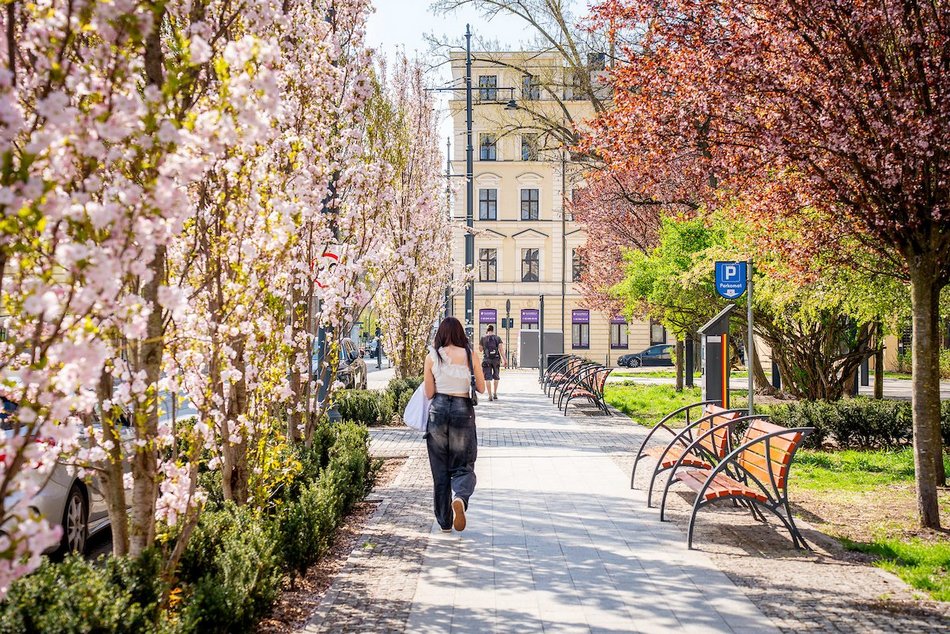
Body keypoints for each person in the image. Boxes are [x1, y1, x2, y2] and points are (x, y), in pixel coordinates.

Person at [423, 317, 486, 532]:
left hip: (438, 411)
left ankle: (444, 522)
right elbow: (481, 387)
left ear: (441, 334)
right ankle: (460, 497)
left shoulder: (432, 357)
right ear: (461, 334)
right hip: (462, 411)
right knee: (464, 463)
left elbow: (429, 393)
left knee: (439, 470)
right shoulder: (470, 355)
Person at [478, 325, 506, 401]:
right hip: (496, 359)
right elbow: (501, 350)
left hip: (486, 359)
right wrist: (505, 360)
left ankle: (489, 395)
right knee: (496, 377)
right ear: (493, 330)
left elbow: (480, 350)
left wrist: (484, 346)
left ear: (487, 330)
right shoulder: (497, 338)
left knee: (487, 378)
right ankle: (495, 393)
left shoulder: (483, 338)